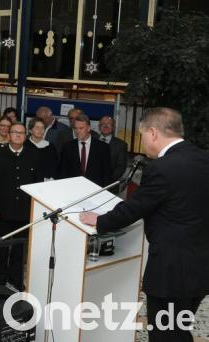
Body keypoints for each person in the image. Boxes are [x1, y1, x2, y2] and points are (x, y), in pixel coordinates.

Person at [80, 107, 209, 342]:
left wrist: (99, 220)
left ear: (152, 133)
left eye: (141, 135)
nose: (142, 141)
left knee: (164, 334)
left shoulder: (162, 167)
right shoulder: (203, 158)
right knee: (180, 330)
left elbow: (135, 207)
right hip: (200, 267)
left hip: (171, 271)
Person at [0, 123, 42, 291]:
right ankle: (0, 276)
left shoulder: (34, 155)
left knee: (20, 246)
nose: (18, 135)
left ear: (26, 136)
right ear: (9, 135)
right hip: (3, 208)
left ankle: (15, 276)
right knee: (3, 244)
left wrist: (35, 209)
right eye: (14, 132)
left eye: (21, 133)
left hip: (24, 209)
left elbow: (38, 184)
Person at [57, 113, 112, 186]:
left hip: (95, 189)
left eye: (81, 128)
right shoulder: (68, 147)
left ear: (88, 128)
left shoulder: (103, 147)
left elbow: (106, 175)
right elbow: (63, 173)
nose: (77, 131)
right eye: (75, 128)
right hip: (73, 188)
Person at [98, 116, 129, 185]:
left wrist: (108, 181)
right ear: (99, 127)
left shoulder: (121, 145)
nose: (105, 126)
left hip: (109, 184)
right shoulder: (92, 140)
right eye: (103, 124)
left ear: (113, 127)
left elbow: (121, 168)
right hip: (90, 182)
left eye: (109, 124)